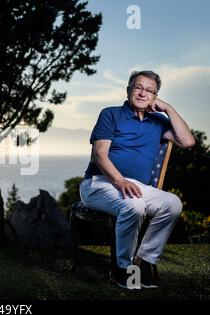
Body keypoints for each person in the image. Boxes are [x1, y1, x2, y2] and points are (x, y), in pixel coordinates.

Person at [80, 70, 195, 289]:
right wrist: (120, 181)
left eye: (150, 90)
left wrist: (169, 109)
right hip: (99, 183)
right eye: (138, 87)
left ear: (155, 97)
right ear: (129, 90)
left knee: (173, 203)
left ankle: (142, 262)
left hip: (138, 186)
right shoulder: (110, 114)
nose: (143, 93)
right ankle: (123, 271)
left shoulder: (158, 121)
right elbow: (99, 154)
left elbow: (187, 141)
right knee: (134, 205)